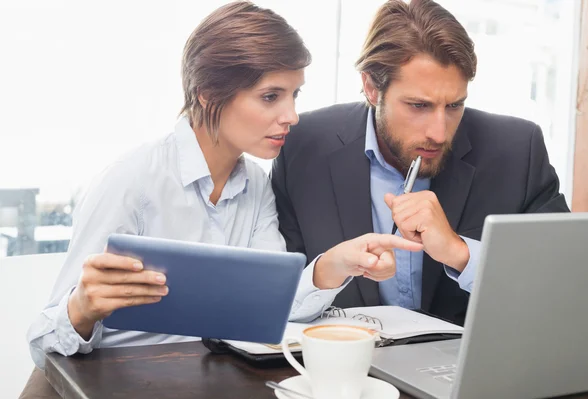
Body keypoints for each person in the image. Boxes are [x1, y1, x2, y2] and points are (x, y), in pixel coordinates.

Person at [25, 0, 422, 375]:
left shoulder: (255, 184)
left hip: (210, 377)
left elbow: (272, 304)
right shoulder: (133, 180)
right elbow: (43, 341)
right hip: (120, 379)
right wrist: (81, 309)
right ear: (209, 94)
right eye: (270, 97)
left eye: (294, 95)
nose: (292, 116)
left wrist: (334, 264)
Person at [271, 0, 570, 327]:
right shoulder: (302, 145)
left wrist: (460, 253)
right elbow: (276, 297)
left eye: (455, 105)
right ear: (371, 87)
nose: (440, 133)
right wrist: (326, 271)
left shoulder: (517, 150)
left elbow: (565, 280)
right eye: (418, 105)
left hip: (466, 370)